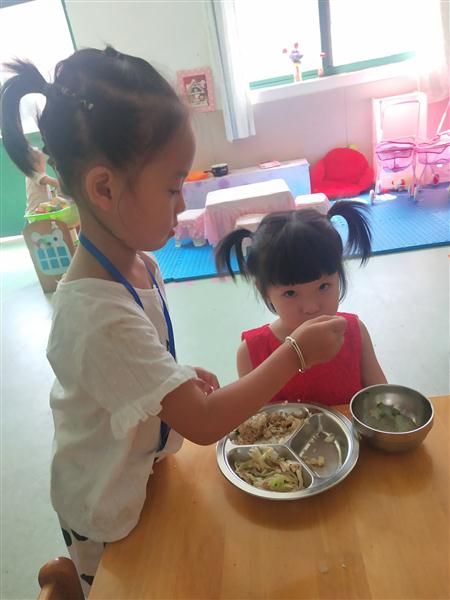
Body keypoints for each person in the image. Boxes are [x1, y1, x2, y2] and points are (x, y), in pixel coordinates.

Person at [0, 48, 346, 595]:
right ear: (104, 188)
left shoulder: (139, 264)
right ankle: (72, 585)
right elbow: (204, 425)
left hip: (144, 469)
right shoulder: (94, 315)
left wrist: (171, 378)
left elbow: (136, 361)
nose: (182, 203)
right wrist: (296, 353)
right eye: (171, 187)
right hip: (105, 508)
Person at [215, 204, 387, 406]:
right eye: (290, 293)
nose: (311, 307)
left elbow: (382, 400)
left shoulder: (354, 332)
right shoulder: (251, 352)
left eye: (323, 286)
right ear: (264, 290)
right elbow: (252, 417)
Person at [25, 146, 60, 213]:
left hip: (42, 211)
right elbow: (55, 183)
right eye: (42, 161)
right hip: (35, 212)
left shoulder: (37, 175)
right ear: (34, 163)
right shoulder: (34, 174)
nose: (44, 165)